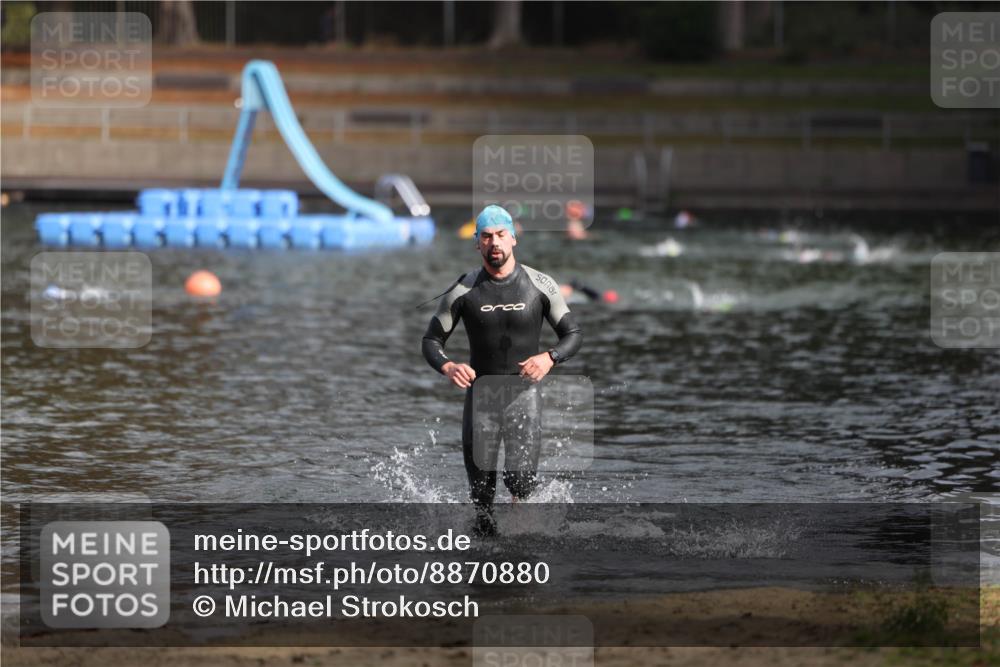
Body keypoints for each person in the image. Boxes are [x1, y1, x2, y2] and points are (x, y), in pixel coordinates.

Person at [422, 205, 583, 536]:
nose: (494, 242)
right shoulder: (462, 290)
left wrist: (549, 358)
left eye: (500, 235)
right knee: (482, 499)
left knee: (521, 484)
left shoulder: (540, 285)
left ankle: (516, 558)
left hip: (524, 398)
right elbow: (431, 340)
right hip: (481, 401)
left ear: (513, 238)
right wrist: (448, 365)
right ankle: (484, 575)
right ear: (477, 244)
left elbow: (573, 335)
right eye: (486, 236)